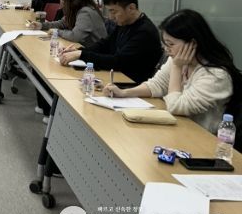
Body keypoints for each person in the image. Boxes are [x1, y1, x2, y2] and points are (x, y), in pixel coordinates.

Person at [102, 9, 241, 134]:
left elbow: (176, 106)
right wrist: (124, 93)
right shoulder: (179, 60)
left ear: (193, 44)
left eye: (171, 44)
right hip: (179, 129)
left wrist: (176, 67)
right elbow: (157, 85)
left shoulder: (216, 75)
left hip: (201, 139)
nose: (166, 49)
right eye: (165, 44)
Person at [28, 0, 108, 117]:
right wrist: (42, 26)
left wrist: (57, 32)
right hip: (81, 53)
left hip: (93, 59)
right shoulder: (75, 10)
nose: (60, 3)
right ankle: (45, 107)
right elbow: (62, 23)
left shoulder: (86, 12)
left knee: (51, 70)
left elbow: (75, 36)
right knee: (43, 66)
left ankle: (49, 110)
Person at [58, 0, 162, 85]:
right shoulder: (125, 23)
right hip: (116, 77)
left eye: (113, 11)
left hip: (130, 85)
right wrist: (78, 51)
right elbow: (105, 44)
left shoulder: (145, 32)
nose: (111, 17)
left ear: (131, 8)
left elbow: (118, 61)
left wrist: (81, 54)